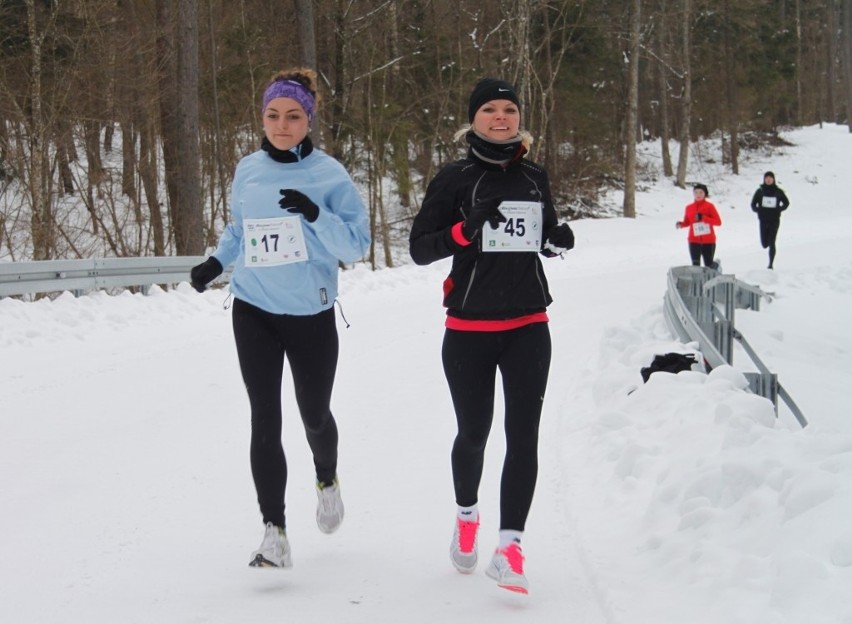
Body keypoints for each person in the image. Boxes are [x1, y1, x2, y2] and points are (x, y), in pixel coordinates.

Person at [189, 68, 370, 569]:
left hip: (310, 312)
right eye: (273, 115)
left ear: (308, 119)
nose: (282, 125)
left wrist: (316, 214)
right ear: (262, 117)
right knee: (264, 418)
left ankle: (327, 477)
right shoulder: (248, 169)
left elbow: (355, 246)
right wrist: (216, 261)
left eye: (293, 116)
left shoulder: (330, 175)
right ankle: (275, 532)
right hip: (253, 308)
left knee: (314, 415)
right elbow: (238, 229)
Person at [409, 77, 575, 595]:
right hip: (468, 329)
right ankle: (466, 515)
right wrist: (464, 231)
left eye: (509, 109)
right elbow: (419, 248)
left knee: (523, 434)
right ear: (473, 119)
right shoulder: (455, 177)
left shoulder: (533, 177)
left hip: (529, 324)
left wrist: (557, 238)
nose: (501, 117)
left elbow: (541, 234)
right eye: (490, 110)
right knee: (475, 433)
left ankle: (510, 547)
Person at [676, 183, 722, 269]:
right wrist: (681, 224)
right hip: (693, 240)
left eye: (701, 192)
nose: (698, 195)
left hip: (708, 241)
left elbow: (718, 222)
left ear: (705, 194)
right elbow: (687, 222)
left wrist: (704, 218)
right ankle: (699, 282)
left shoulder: (709, 206)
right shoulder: (689, 207)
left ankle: (716, 267)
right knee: (695, 266)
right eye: (696, 192)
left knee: (709, 265)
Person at [750, 171, 790, 269]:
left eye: (770, 178)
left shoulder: (778, 191)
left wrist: (779, 209)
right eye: (766, 178)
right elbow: (753, 204)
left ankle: (771, 264)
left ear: (773, 179)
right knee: (764, 244)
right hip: (763, 219)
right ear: (764, 179)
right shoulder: (760, 191)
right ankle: (766, 243)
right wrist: (758, 210)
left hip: (774, 219)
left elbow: (786, 203)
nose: (768, 180)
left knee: (772, 242)